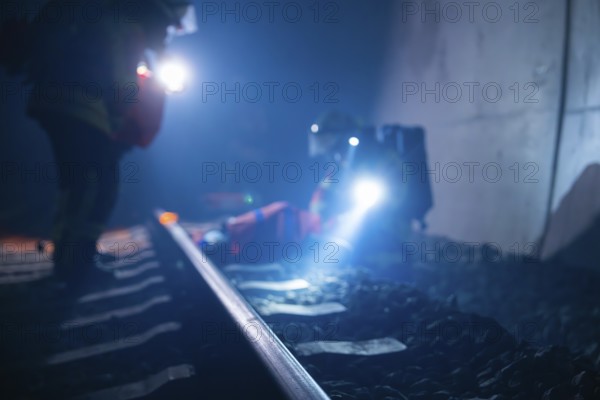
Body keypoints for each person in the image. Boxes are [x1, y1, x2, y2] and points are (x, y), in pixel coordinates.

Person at [0, 0, 196, 287]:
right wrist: (122, 124)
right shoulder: (126, 28)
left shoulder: (109, 18)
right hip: (80, 108)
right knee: (98, 184)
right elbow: (122, 86)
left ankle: (70, 258)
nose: (166, 34)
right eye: (167, 26)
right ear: (156, 15)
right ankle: (77, 265)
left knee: (78, 184)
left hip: (56, 102)